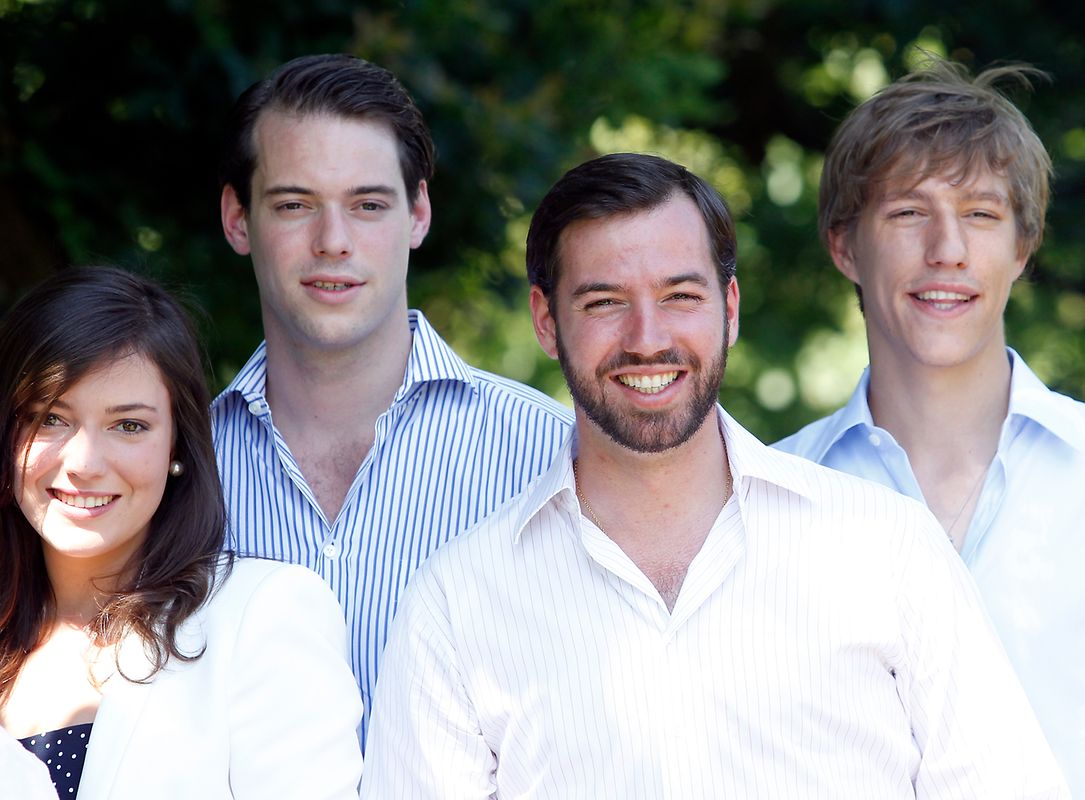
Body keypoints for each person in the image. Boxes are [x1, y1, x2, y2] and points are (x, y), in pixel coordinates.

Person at [360, 153, 1069, 798]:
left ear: (728, 310)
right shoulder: (456, 603)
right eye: (604, 302)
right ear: (546, 322)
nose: (647, 338)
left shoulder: (887, 550)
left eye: (680, 296)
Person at [215, 53, 571, 742]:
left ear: (417, 214)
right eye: (294, 205)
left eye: (368, 205)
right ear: (237, 218)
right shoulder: (172, 472)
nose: (333, 242)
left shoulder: (552, 459)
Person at [774, 58, 1084, 793]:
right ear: (844, 246)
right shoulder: (769, 498)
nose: (946, 248)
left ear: (1021, 247)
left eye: (979, 214)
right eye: (908, 212)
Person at [0, 266, 363, 798]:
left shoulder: (261, 615)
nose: (84, 462)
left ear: (177, 447)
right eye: (51, 418)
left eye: (129, 426)